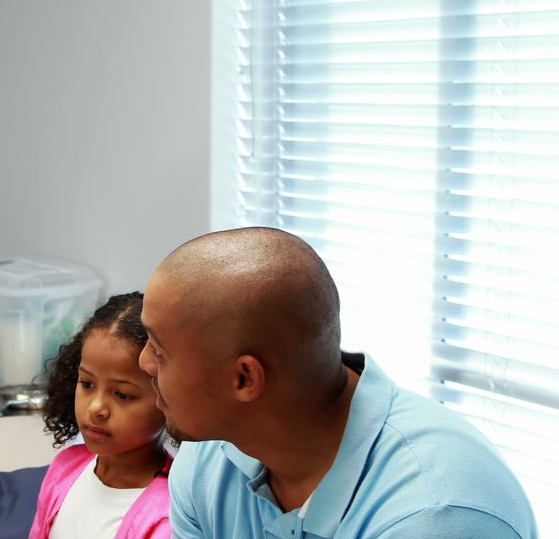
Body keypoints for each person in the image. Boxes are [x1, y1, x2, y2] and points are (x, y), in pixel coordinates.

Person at [138, 227, 538, 538]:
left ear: (244, 379)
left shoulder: (434, 517)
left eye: (159, 350)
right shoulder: (208, 459)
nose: (144, 363)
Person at [30, 292, 173, 539]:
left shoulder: (167, 515)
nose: (97, 408)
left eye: (123, 395)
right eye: (87, 384)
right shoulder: (65, 467)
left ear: (168, 397)